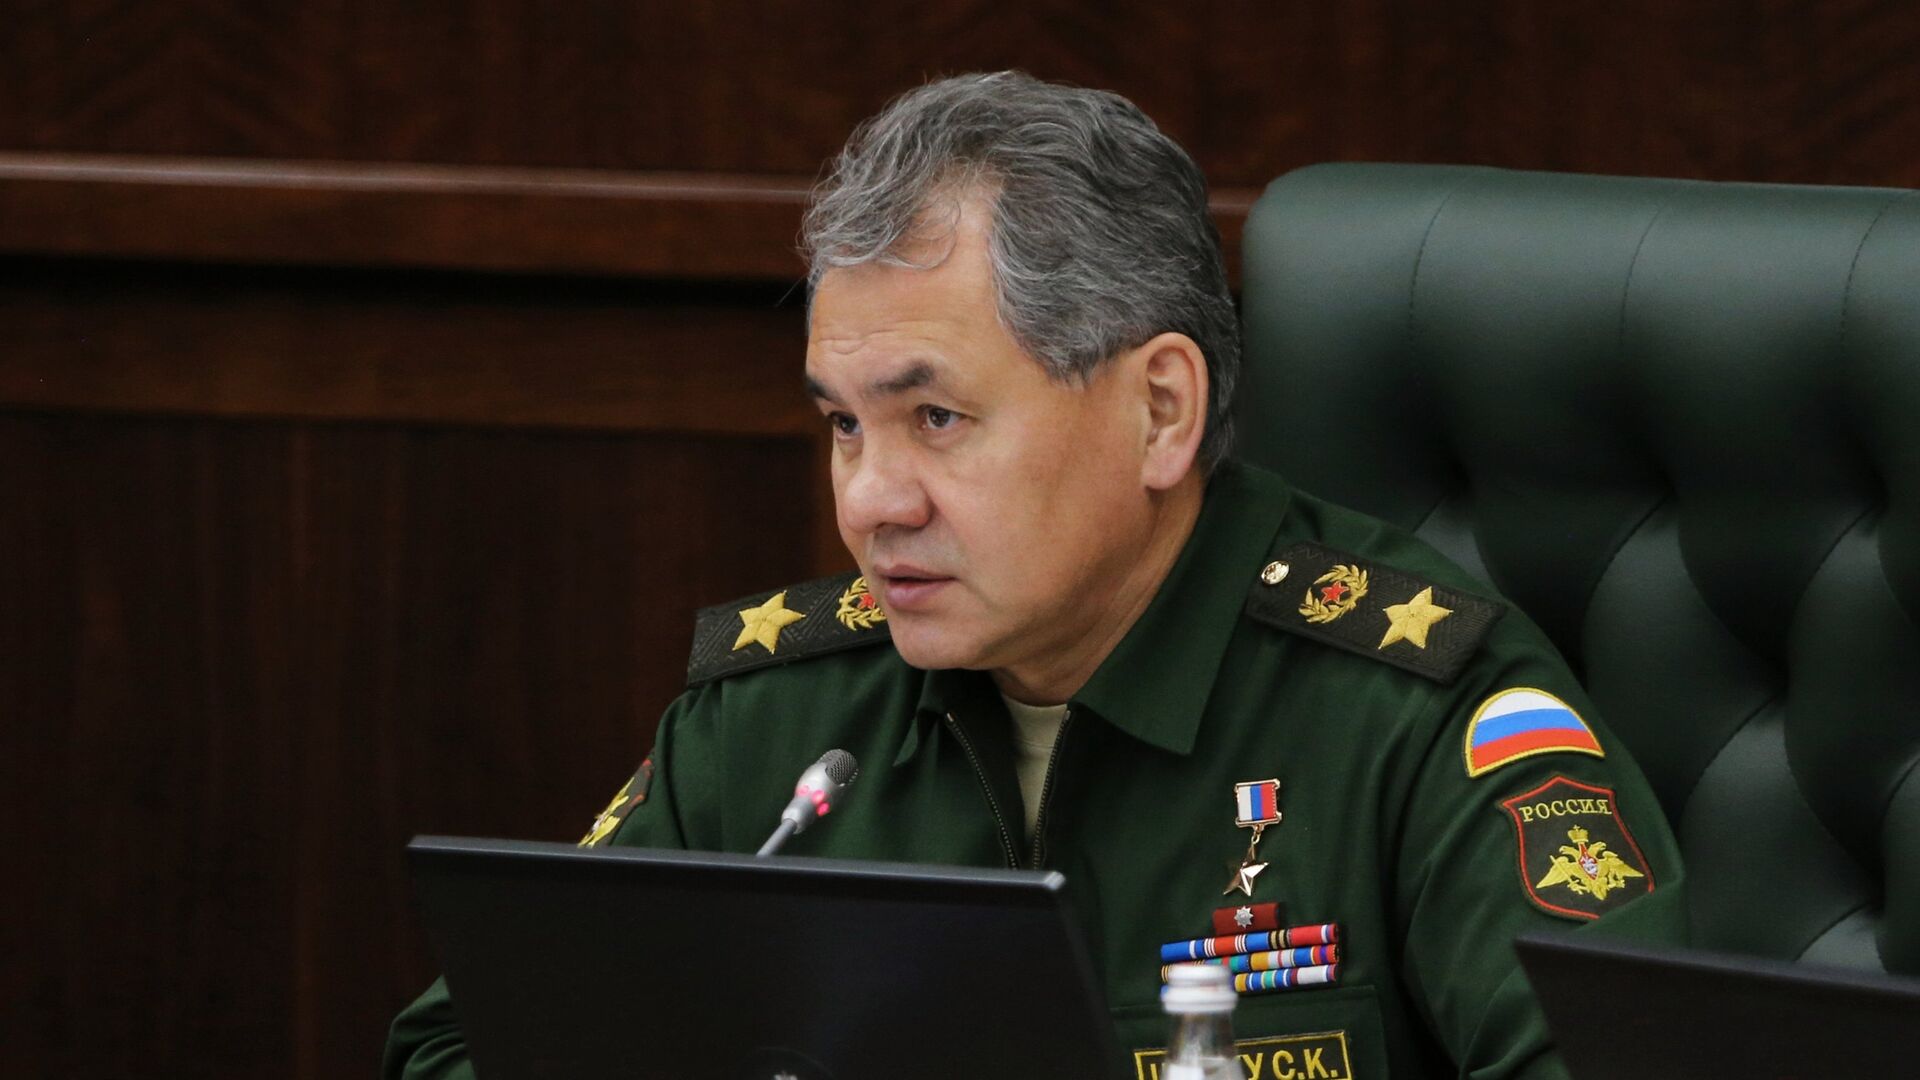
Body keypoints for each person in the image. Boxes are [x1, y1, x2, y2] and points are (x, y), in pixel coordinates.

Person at [385, 71, 1687, 1079]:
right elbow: (460, 1050)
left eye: (936, 418)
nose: (870, 502)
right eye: (843, 424)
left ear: (1160, 411)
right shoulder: (774, 728)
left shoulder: (1418, 720)